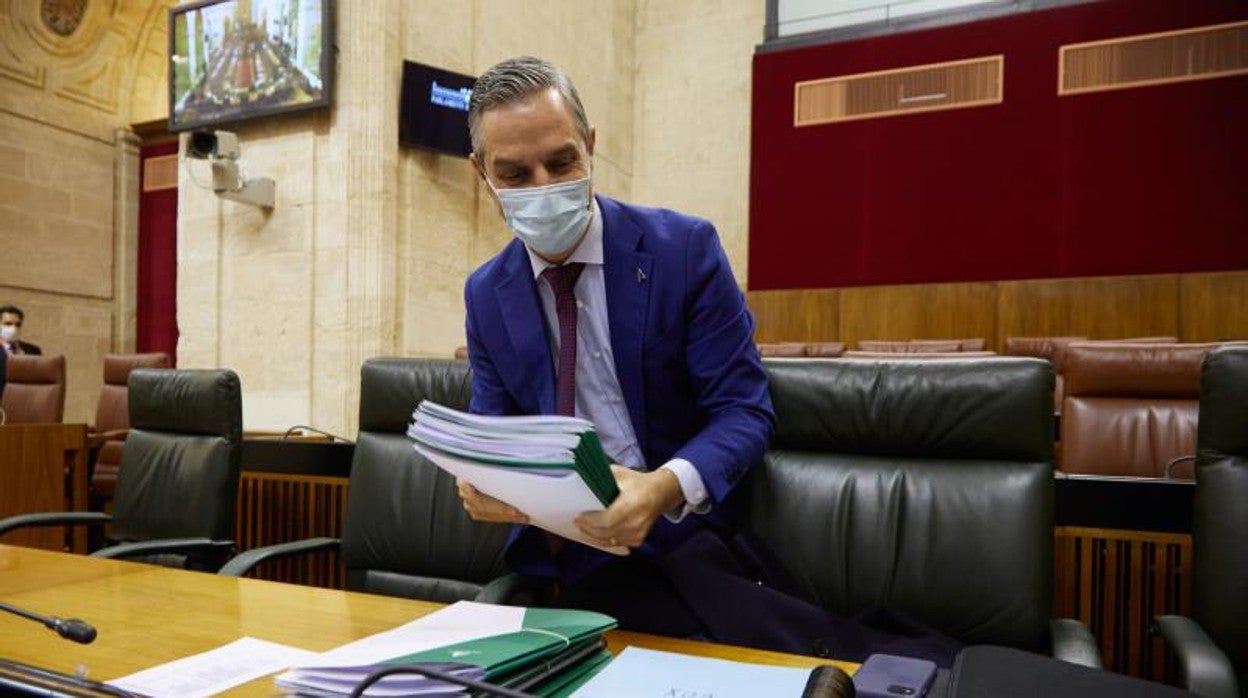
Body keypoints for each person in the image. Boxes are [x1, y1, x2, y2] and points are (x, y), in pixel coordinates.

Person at [457, 57, 963, 666]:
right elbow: (494, 437)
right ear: (482, 175)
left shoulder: (682, 250)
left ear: (591, 147)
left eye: (561, 162)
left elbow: (743, 410)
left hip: (683, 545)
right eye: (515, 173)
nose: (543, 186)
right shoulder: (487, 293)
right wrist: (482, 481)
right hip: (560, 568)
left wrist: (662, 488)